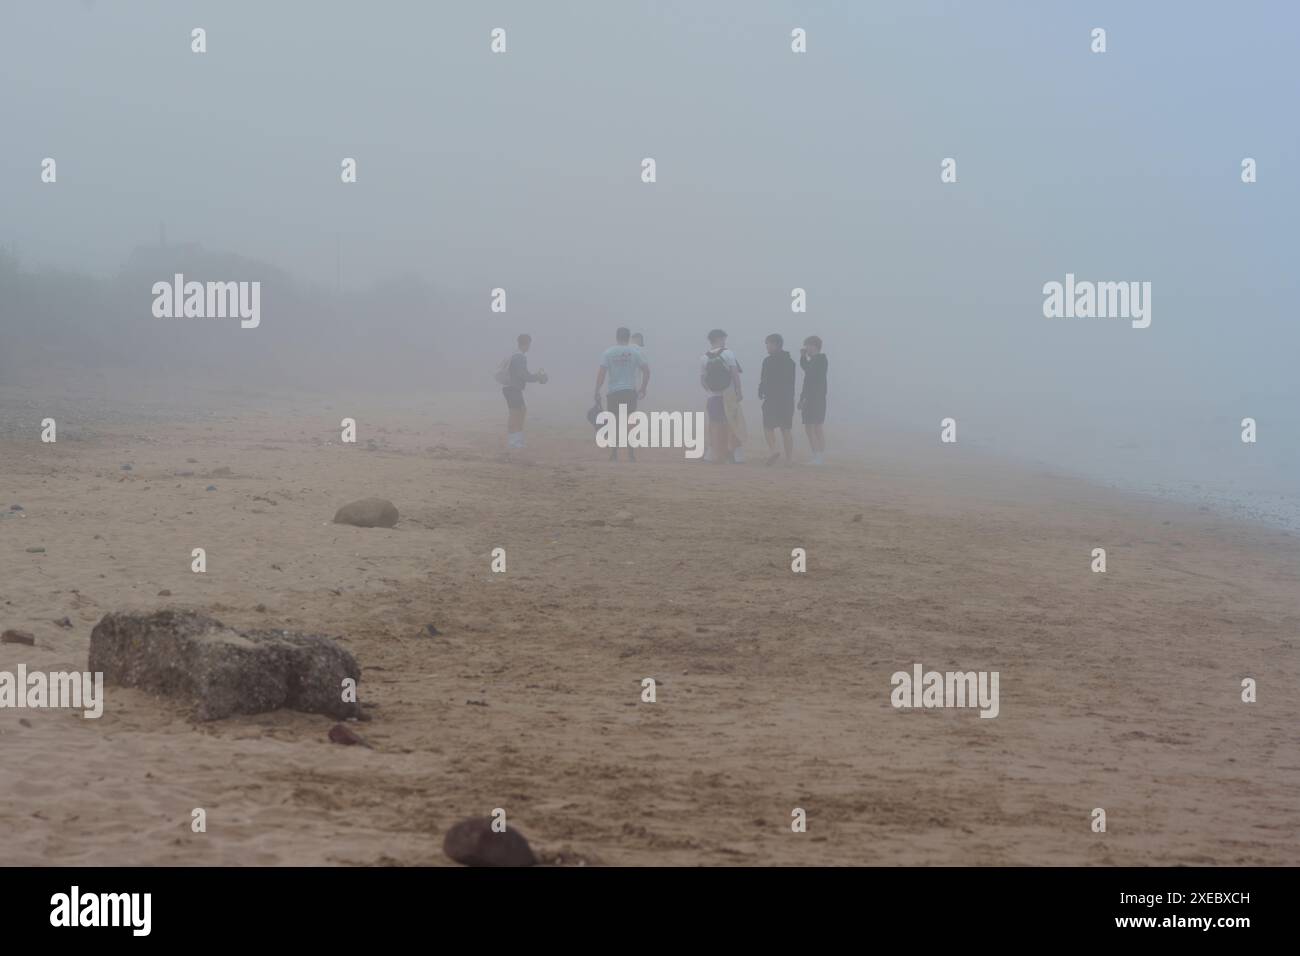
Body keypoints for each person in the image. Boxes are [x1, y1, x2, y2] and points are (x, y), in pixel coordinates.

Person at [594, 327, 650, 461]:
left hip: (614, 392)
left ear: (616, 337)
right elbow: (646, 371)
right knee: (630, 422)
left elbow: (601, 374)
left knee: (614, 422)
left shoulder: (608, 353)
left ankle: (614, 454)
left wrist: (596, 390)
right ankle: (631, 454)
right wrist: (643, 388)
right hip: (630, 391)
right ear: (628, 337)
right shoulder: (635, 353)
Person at [700, 329, 745, 463]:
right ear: (719, 339)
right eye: (724, 339)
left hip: (713, 397)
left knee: (714, 425)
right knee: (733, 424)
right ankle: (737, 455)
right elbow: (735, 374)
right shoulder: (728, 353)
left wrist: (711, 390)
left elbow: (702, 380)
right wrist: (739, 390)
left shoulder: (704, 357)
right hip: (729, 395)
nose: (725, 341)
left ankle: (711, 454)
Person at [501, 333, 546, 450]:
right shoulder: (520, 357)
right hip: (514, 389)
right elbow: (523, 375)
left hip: (508, 388)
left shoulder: (513, 354)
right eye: (529, 344)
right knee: (519, 414)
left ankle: (514, 441)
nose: (529, 347)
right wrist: (538, 377)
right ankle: (516, 442)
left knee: (515, 414)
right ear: (526, 344)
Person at [758, 333, 796, 466]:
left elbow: (764, 379)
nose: (766, 347)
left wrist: (761, 391)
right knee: (786, 429)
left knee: (768, 426)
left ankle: (773, 450)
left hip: (772, 399)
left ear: (775, 344)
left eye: (768, 344)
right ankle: (789, 459)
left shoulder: (768, 361)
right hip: (787, 400)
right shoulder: (790, 362)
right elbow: (791, 382)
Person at [798, 335, 828, 465]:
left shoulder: (821, 360)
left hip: (816, 398)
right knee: (809, 427)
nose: (806, 348)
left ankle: (820, 456)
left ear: (814, 346)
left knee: (816, 426)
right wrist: (803, 357)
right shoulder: (813, 361)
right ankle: (816, 454)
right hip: (809, 398)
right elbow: (806, 369)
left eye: (808, 346)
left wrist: (805, 399)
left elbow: (810, 373)